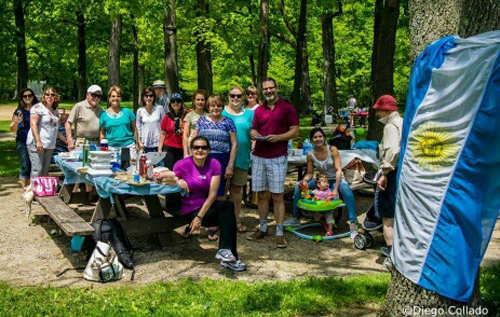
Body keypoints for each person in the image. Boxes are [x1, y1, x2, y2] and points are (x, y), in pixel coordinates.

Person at [174, 136, 246, 272]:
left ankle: (226, 253)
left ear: (208, 150)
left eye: (203, 147)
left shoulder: (214, 164)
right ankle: (231, 257)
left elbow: (213, 195)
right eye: (196, 147)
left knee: (228, 206)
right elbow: (166, 177)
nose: (200, 150)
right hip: (190, 209)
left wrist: (199, 217)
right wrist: (178, 181)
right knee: (228, 216)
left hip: (204, 209)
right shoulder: (182, 164)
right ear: (191, 149)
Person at [247, 78, 299, 248]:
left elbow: (295, 131)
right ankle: (262, 228)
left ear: (277, 88)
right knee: (261, 194)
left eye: (271, 88)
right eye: (265, 89)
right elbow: (254, 129)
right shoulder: (259, 110)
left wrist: (279, 138)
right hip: (259, 156)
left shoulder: (287, 108)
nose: (268, 91)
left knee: (277, 196)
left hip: (277, 157)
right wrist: (254, 134)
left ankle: (279, 232)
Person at [284, 127, 359, 237]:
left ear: (324, 138)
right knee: (297, 185)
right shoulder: (310, 154)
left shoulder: (332, 149)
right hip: (321, 180)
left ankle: (353, 223)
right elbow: (309, 172)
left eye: (320, 136)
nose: (318, 139)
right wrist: (304, 181)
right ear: (311, 140)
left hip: (336, 179)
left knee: (346, 190)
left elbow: (339, 170)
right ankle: (296, 218)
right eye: (315, 137)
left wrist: (335, 189)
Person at [373, 95, 402, 269]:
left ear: (386, 110)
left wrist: (384, 172)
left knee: (388, 218)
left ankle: (392, 257)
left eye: (378, 110)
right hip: (403, 174)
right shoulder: (403, 123)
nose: (377, 114)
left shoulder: (391, 127)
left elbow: (392, 150)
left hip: (391, 174)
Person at [192, 95, 237, 199]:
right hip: (203, 159)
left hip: (222, 160)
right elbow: (193, 141)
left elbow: (234, 144)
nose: (215, 108)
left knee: (219, 192)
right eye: (212, 105)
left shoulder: (229, 122)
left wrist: (230, 166)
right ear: (208, 107)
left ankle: (218, 215)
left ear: (223, 107)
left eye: (219, 105)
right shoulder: (201, 121)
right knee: (202, 190)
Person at [222, 85, 254, 233]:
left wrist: (253, 144)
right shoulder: (221, 112)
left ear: (243, 97)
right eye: (232, 95)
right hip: (223, 158)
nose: (235, 98)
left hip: (242, 158)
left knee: (236, 191)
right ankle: (219, 221)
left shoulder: (249, 114)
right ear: (228, 96)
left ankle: (236, 219)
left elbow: (255, 132)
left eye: (239, 96)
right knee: (222, 191)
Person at [26, 87, 60, 177]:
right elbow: (33, 124)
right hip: (37, 143)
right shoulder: (38, 107)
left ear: (55, 97)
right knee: (37, 169)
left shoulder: (55, 111)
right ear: (43, 96)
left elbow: (55, 128)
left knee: (45, 171)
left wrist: (66, 140)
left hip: (49, 144)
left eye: (52, 95)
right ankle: (33, 190)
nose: (50, 97)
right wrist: (38, 141)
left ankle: (43, 190)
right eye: (47, 94)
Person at [99, 86, 141, 158]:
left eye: (118, 96)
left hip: (128, 146)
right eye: (113, 96)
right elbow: (102, 133)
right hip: (111, 148)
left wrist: (137, 143)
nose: (115, 98)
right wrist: (103, 148)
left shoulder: (128, 112)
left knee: (130, 168)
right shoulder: (103, 115)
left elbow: (134, 129)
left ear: (120, 98)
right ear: (109, 99)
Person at [11, 88, 38, 187]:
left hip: (35, 141)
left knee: (34, 166)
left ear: (33, 96)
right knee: (25, 166)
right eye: (25, 96)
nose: (27, 98)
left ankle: (33, 189)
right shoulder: (19, 111)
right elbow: (12, 128)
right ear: (22, 98)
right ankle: (25, 190)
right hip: (22, 142)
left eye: (30, 95)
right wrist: (16, 122)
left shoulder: (38, 109)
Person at [65, 85, 104, 150]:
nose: (96, 98)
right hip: (81, 143)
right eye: (94, 95)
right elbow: (68, 124)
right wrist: (69, 140)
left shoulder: (101, 110)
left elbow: (101, 129)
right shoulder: (79, 106)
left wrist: (101, 143)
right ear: (88, 96)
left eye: (98, 96)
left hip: (96, 144)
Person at [159, 93, 186, 170]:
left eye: (178, 101)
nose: (175, 103)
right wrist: (160, 149)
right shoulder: (167, 116)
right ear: (170, 104)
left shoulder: (186, 116)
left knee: (181, 172)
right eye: (173, 101)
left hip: (182, 148)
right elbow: (162, 133)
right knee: (169, 172)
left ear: (181, 103)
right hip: (169, 148)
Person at [136, 87, 165, 153]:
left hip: (158, 144)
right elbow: (138, 127)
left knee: (159, 163)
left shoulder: (159, 109)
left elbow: (164, 127)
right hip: (145, 144)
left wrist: (162, 144)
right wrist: (139, 142)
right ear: (143, 97)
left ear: (154, 97)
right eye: (146, 96)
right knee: (146, 163)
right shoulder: (140, 111)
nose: (148, 98)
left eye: (151, 96)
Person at [183, 89, 208, 157]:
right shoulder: (189, 115)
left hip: (205, 147)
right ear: (194, 101)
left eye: (202, 100)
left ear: (205, 101)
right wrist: (185, 153)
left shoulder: (209, 116)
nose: (200, 102)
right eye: (198, 99)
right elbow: (185, 135)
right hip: (192, 147)